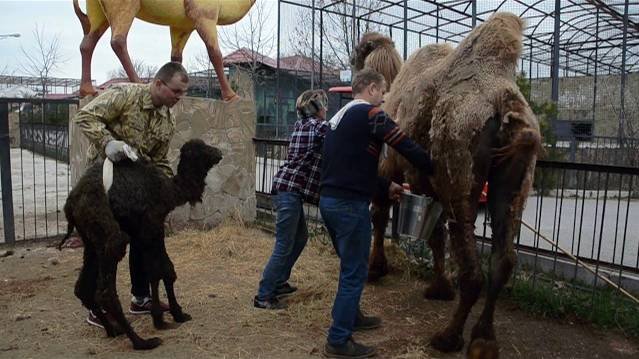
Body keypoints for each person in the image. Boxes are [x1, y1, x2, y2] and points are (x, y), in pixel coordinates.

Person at [319, 68, 435, 358]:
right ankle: (338, 340)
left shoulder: (338, 120)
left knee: (349, 267)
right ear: (371, 88)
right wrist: (435, 167)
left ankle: (351, 316)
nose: (383, 99)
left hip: (330, 202)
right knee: (355, 271)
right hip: (349, 207)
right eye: (382, 92)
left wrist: (385, 186)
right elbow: (403, 143)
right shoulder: (371, 115)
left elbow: (351, 167)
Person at [73, 61, 189, 328]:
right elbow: (85, 117)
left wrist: (166, 189)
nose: (179, 98)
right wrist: (107, 142)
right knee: (106, 246)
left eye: (182, 93)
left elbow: (159, 160)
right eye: (176, 92)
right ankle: (99, 306)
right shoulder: (125, 95)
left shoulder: (168, 119)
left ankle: (141, 299)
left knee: (143, 239)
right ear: (158, 84)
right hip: (104, 185)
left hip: (136, 192)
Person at [254, 89, 330, 310]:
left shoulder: (300, 126)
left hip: (286, 190)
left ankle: (278, 282)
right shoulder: (318, 127)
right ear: (317, 109)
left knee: (300, 238)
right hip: (290, 192)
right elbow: (339, 133)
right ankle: (264, 295)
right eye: (324, 106)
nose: (326, 109)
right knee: (284, 244)